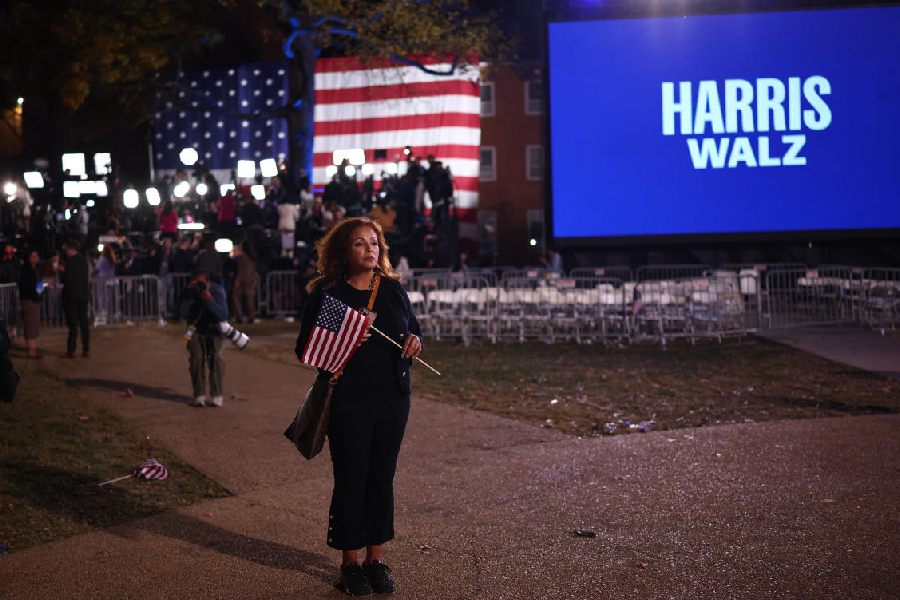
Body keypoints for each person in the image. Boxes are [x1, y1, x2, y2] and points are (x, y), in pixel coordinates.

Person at [295, 217, 422, 596]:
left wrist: (416, 341)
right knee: (352, 479)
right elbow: (308, 348)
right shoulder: (332, 295)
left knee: (381, 479)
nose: (370, 250)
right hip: (350, 400)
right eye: (360, 243)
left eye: (375, 243)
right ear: (342, 250)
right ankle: (350, 563)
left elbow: (413, 329)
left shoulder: (392, 290)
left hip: (392, 399)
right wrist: (349, 338)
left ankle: (375, 559)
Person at [180, 270, 228, 407]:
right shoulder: (189, 292)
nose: (199, 286)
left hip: (214, 329)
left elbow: (223, 314)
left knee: (216, 358)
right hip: (194, 328)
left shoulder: (217, 291)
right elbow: (182, 314)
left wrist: (210, 300)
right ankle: (199, 395)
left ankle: (217, 395)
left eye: (201, 283)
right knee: (196, 357)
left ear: (208, 282)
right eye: (196, 283)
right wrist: (189, 294)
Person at [59, 240, 90, 358]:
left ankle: (71, 350)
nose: (65, 252)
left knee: (73, 325)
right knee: (84, 324)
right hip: (83, 296)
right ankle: (86, 348)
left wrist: (62, 271)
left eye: (66, 249)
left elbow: (68, 280)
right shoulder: (84, 260)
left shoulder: (70, 263)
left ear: (71, 249)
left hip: (72, 297)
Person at [18, 249, 43, 359]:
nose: (36, 258)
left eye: (37, 256)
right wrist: (36, 295)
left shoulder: (36, 269)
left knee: (34, 325)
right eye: (33, 256)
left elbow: (39, 283)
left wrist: (41, 294)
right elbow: (26, 286)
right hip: (29, 300)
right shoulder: (26, 270)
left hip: (36, 300)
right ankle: (31, 350)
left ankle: (33, 349)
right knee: (30, 325)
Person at [230, 243, 258, 323]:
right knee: (249, 299)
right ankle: (251, 316)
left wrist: (237, 282)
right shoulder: (251, 258)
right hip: (250, 280)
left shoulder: (242, 258)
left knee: (235, 296)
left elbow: (241, 271)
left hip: (243, 280)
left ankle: (239, 315)